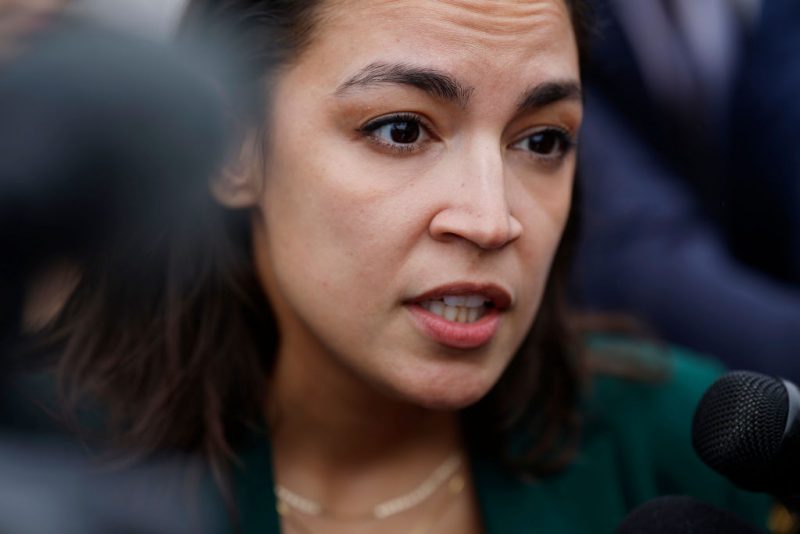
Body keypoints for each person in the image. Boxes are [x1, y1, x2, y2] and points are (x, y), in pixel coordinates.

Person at [25, 1, 772, 533]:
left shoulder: (694, 445)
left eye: (542, 141)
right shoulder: (56, 471)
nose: (491, 219)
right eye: (401, 129)